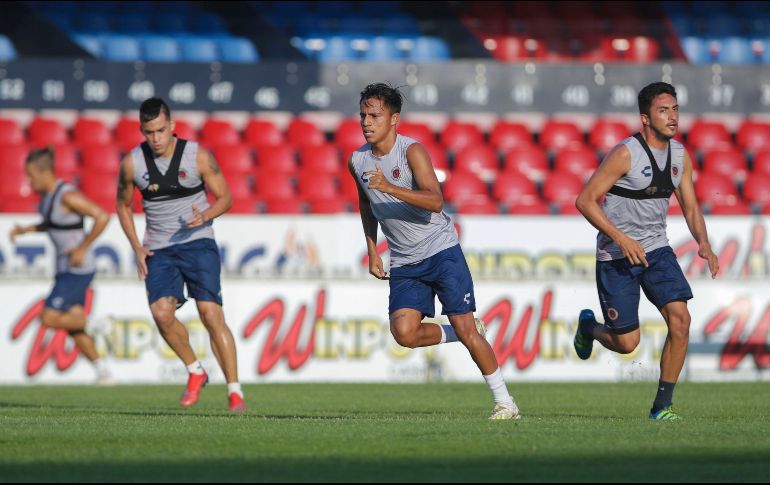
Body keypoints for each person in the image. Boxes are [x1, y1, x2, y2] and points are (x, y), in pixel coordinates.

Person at [350, 83, 520, 420]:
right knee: (404, 334)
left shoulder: (412, 151)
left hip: (441, 251)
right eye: (362, 116)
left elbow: (435, 200)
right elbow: (366, 205)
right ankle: (455, 332)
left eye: (374, 115)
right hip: (404, 260)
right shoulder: (357, 160)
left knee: (469, 330)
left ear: (394, 119)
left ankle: (505, 403)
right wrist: (372, 250)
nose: (366, 122)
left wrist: (389, 187)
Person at [574, 82, 720, 420]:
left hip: (656, 250)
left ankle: (662, 407)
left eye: (675, 109)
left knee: (681, 320)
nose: (672, 117)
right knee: (627, 344)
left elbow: (691, 207)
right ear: (645, 118)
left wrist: (704, 243)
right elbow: (584, 200)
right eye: (663, 111)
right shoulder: (626, 153)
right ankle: (588, 329)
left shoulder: (680, 156)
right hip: (616, 255)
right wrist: (620, 238)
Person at [116, 97, 246, 412]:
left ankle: (234, 392)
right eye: (149, 132)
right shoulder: (133, 163)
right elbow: (121, 204)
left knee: (211, 315)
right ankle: (194, 370)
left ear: (172, 126)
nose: (156, 138)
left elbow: (226, 197)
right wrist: (136, 246)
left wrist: (206, 215)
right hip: (159, 247)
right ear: (141, 131)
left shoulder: (197, 157)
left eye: (161, 130)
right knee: (161, 313)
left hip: (198, 241)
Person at [9, 147, 112, 384]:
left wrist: (83, 247)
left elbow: (102, 216)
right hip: (64, 268)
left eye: (31, 175)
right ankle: (103, 372)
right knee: (73, 325)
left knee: (49, 318)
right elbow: (53, 225)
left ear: (43, 172)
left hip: (78, 267)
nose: (29, 180)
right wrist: (26, 230)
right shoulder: (47, 199)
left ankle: (97, 322)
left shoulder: (67, 195)